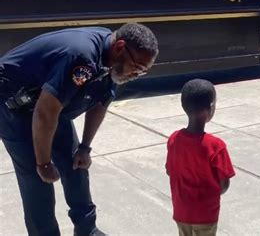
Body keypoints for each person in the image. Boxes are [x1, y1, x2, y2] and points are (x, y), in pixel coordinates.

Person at [0, 23, 159, 236]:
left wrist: (84, 148)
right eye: (137, 67)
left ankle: (87, 229)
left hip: (48, 101)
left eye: (144, 71)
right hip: (12, 103)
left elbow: (101, 103)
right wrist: (44, 163)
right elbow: (45, 113)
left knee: (76, 163)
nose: (137, 74)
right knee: (37, 179)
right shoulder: (82, 57)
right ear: (120, 47)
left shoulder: (113, 60)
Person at [165, 79, 235, 236]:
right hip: (206, 214)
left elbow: (170, 171)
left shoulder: (174, 139)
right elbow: (224, 185)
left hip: (181, 211)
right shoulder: (216, 146)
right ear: (210, 109)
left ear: (184, 107)